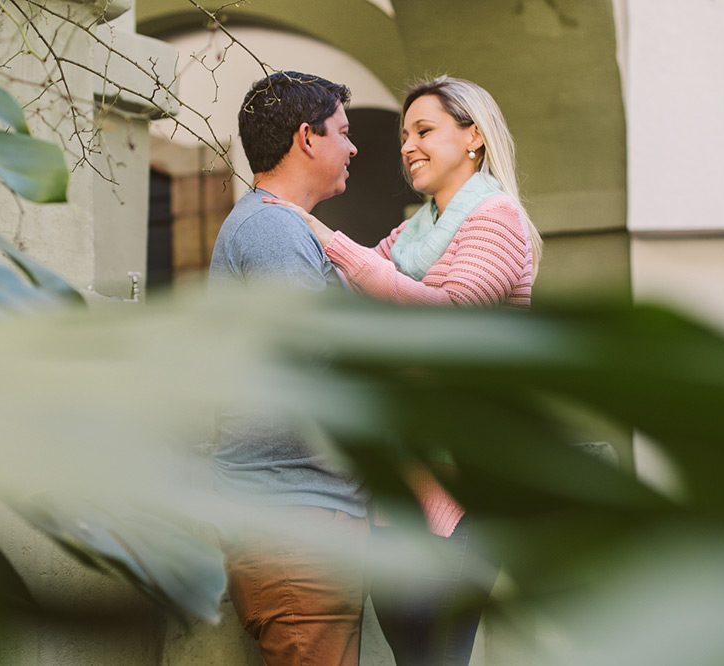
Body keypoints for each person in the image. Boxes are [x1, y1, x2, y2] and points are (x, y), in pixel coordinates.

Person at [265, 75, 542, 666]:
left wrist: (327, 238)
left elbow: (446, 320)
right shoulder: (419, 231)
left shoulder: (496, 219)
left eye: (424, 130)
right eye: (403, 135)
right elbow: (360, 280)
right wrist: (286, 235)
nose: (407, 146)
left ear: (473, 137)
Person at [208, 71, 369, 666]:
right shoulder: (272, 228)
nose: (353, 147)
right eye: (344, 132)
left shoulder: (278, 225)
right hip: (295, 526)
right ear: (307, 137)